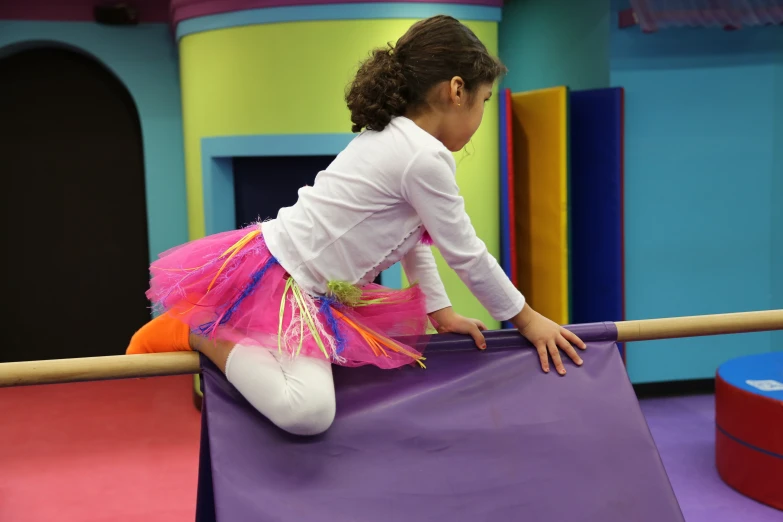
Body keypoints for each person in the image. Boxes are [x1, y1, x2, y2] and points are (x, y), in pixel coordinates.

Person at [126, 15, 586, 436]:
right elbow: (465, 252)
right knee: (307, 414)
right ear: (457, 90)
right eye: (485, 100)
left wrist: (439, 310)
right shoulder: (420, 156)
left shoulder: (399, 138)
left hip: (296, 275)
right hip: (289, 280)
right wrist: (526, 319)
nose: (483, 115)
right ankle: (200, 332)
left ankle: (220, 331)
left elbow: (413, 239)